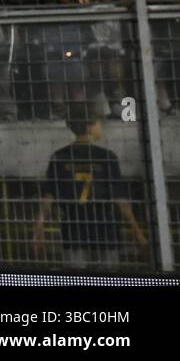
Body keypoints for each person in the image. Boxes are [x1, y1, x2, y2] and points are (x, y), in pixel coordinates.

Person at [33, 103, 148, 270]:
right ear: (90, 126)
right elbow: (120, 199)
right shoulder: (106, 157)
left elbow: (48, 197)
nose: (101, 127)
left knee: (76, 276)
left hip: (74, 227)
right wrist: (136, 229)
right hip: (105, 227)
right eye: (99, 123)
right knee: (109, 276)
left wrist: (39, 226)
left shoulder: (60, 157)